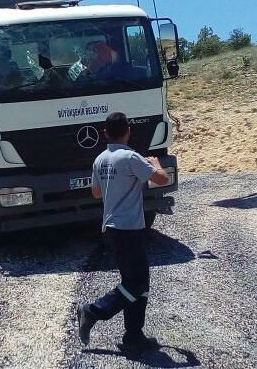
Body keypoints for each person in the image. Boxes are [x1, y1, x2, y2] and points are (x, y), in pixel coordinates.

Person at [77, 112, 169, 354]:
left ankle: (134, 336)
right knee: (136, 283)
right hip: (129, 228)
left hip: (112, 228)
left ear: (105, 133)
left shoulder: (100, 159)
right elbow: (161, 179)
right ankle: (93, 311)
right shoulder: (130, 157)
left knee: (139, 282)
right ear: (128, 131)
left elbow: (96, 193)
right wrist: (156, 164)